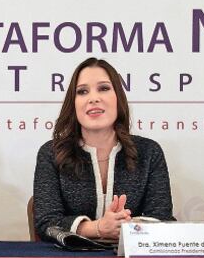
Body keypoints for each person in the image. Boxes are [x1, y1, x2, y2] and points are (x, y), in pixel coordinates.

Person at [32, 57, 174, 241]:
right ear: (73, 104)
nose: (93, 98)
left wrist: (124, 227)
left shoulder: (149, 152)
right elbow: (46, 223)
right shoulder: (51, 153)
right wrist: (96, 228)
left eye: (104, 88)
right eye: (82, 91)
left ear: (118, 98)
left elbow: (162, 220)